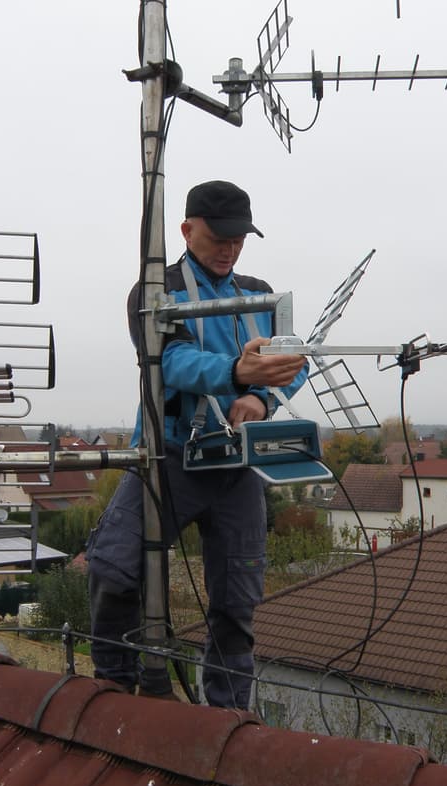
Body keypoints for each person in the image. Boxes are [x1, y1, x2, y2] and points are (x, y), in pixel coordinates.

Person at [86, 179, 308, 709]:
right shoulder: (155, 291)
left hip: (236, 464)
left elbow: (294, 361)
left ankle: (228, 716)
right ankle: (114, 688)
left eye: (239, 238)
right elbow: (171, 362)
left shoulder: (261, 292)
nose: (230, 248)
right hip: (169, 457)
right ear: (187, 230)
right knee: (115, 568)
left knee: (237, 598)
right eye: (218, 237)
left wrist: (262, 399)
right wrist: (236, 372)